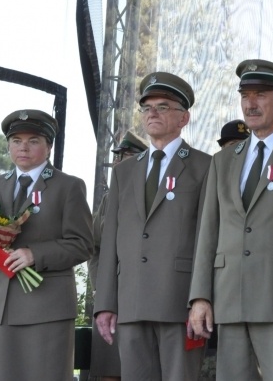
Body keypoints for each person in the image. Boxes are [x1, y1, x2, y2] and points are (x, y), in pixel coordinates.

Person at [189, 59, 273, 381]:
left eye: (261, 94)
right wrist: (200, 296)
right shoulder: (223, 161)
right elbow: (208, 231)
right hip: (229, 299)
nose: (251, 103)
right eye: (245, 95)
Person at [94, 72, 212, 381]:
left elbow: (208, 237)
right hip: (131, 303)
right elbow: (110, 243)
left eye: (163, 106)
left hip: (180, 304)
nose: (152, 113)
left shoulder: (205, 166)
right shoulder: (124, 172)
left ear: (183, 117)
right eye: (147, 108)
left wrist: (201, 298)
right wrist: (105, 303)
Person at [0, 109, 93, 381]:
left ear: (48, 146)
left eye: (33, 140)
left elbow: (83, 244)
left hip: (45, 306)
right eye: (16, 141)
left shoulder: (68, 186)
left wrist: (34, 254)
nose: (23, 147)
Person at [88, 130, 147, 381]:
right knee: (108, 368)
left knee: (142, 367)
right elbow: (94, 247)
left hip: (144, 295)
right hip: (111, 299)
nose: (121, 161)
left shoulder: (153, 197)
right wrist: (102, 289)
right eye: (119, 156)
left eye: (129, 156)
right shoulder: (107, 200)